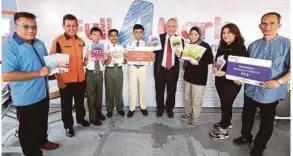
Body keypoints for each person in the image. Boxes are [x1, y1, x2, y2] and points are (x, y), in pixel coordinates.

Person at [233, 12, 290, 156]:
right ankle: (246, 136)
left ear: (279, 25)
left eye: (271, 23)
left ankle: (259, 146)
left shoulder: (287, 44)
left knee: (266, 122)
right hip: (251, 90)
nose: (267, 26)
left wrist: (279, 81)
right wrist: (240, 77)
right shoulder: (253, 46)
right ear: (260, 26)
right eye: (264, 23)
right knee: (247, 116)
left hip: (269, 93)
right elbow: (246, 68)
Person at [2, 12, 59, 156]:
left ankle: (42, 141)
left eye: (34, 27)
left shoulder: (39, 43)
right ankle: (32, 152)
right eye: (26, 26)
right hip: (26, 98)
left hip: (43, 92)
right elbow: (6, 75)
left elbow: (44, 66)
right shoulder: (9, 46)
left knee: (42, 122)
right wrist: (38, 73)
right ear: (16, 27)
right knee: (27, 131)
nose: (31, 30)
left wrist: (55, 69)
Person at [50, 14, 90, 138]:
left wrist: (85, 62)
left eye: (74, 25)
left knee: (79, 102)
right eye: (68, 25)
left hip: (80, 79)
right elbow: (53, 62)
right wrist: (59, 80)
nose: (71, 28)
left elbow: (79, 59)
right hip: (65, 80)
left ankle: (81, 119)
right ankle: (68, 126)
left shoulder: (80, 41)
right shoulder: (58, 41)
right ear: (63, 26)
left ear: (77, 26)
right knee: (66, 106)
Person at [209, 23, 248, 139]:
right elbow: (217, 60)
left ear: (235, 34)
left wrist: (225, 73)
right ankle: (226, 122)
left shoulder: (240, 48)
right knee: (224, 103)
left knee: (226, 104)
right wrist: (214, 66)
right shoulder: (222, 46)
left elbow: (242, 68)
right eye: (224, 33)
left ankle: (223, 131)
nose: (225, 35)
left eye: (228, 33)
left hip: (231, 83)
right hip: (220, 80)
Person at [181, 26, 214, 127]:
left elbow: (211, 60)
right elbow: (185, 58)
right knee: (187, 98)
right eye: (191, 34)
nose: (193, 36)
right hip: (188, 77)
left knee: (196, 100)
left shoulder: (205, 46)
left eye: (195, 34)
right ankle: (188, 114)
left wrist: (198, 63)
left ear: (199, 35)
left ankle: (195, 120)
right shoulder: (188, 45)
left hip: (199, 79)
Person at [153, 18, 183, 118]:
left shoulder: (180, 40)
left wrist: (179, 55)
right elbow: (154, 53)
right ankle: (160, 109)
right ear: (166, 27)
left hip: (172, 69)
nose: (171, 28)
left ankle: (170, 109)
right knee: (159, 90)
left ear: (176, 28)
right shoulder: (159, 38)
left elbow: (182, 57)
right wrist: (151, 50)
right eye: (169, 26)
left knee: (171, 91)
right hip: (160, 69)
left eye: (173, 26)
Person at [84, 27, 107, 126]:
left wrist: (105, 59)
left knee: (99, 95)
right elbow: (83, 63)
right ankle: (92, 118)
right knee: (91, 96)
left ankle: (98, 113)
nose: (96, 37)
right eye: (94, 34)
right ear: (90, 35)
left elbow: (104, 63)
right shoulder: (86, 47)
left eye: (98, 35)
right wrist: (87, 56)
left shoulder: (102, 47)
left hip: (99, 73)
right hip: (90, 73)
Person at [126, 24, 149, 117]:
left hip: (143, 68)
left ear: (143, 33)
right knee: (132, 88)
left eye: (140, 32)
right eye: (136, 32)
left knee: (143, 88)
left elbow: (149, 58)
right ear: (133, 33)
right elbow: (125, 57)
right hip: (133, 67)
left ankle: (143, 107)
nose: (138, 34)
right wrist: (126, 56)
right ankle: (132, 108)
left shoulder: (147, 44)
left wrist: (151, 57)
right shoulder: (129, 44)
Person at [104, 29, 127, 118]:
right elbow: (105, 63)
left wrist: (124, 58)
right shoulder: (106, 48)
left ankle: (119, 108)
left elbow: (124, 62)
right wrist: (108, 57)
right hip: (109, 70)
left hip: (119, 69)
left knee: (118, 91)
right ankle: (109, 110)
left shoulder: (122, 48)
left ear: (118, 37)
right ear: (109, 37)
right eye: (112, 35)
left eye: (115, 35)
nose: (114, 37)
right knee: (109, 91)